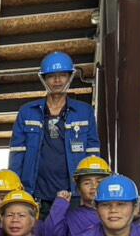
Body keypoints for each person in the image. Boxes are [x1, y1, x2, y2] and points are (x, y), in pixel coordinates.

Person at [9, 51, 101, 210]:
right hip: (35, 195)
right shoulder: (26, 112)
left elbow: (93, 157)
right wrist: (15, 191)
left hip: (75, 196)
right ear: (43, 79)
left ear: (70, 77)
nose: (57, 80)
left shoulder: (85, 112)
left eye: (62, 75)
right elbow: (17, 157)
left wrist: (91, 195)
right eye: (52, 76)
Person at [42, 156, 111, 236]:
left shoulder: (117, 212)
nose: (94, 186)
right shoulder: (71, 217)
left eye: (99, 182)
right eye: (87, 183)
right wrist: (59, 206)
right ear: (78, 188)